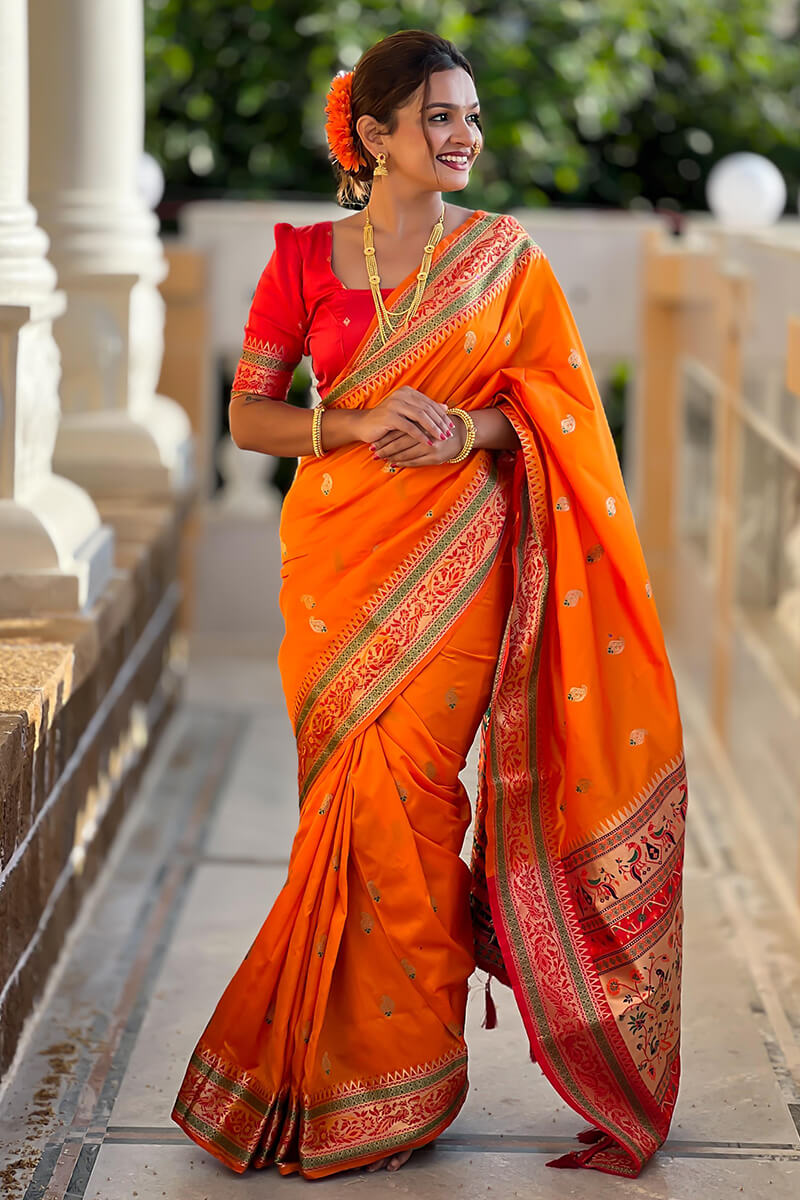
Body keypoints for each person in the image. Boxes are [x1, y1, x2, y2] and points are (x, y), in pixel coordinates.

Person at [171, 29, 688, 1181]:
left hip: (458, 561)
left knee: (410, 803)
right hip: (334, 570)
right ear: (373, 136)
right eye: (439, 119)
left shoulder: (505, 259)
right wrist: (355, 423)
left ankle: (404, 1085)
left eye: (468, 117)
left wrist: (463, 428)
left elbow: (559, 413)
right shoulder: (302, 259)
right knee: (345, 819)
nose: (465, 137)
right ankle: (318, 1076)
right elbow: (250, 416)